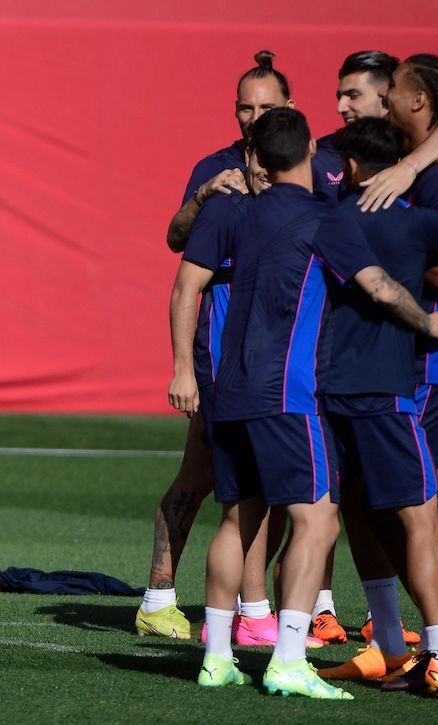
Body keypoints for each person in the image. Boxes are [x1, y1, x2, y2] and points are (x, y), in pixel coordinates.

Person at [177, 107, 438, 698]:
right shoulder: (322, 217)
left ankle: (218, 657)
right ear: (310, 148)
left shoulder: (237, 212)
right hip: (289, 393)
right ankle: (286, 658)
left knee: (237, 520)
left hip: (229, 388)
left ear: (256, 156)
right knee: (318, 519)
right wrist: (425, 323)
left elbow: (188, 270)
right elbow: (377, 285)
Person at [313, 117, 438, 702]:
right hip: (390, 392)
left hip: (327, 390)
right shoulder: (416, 220)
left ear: (349, 168)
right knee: (423, 519)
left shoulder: (333, 219)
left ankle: (385, 650)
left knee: (348, 514)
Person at [137, 50, 304, 645]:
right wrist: (204, 194)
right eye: (244, 105)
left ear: (289, 107)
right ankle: (160, 597)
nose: (252, 115)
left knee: (282, 483)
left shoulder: (309, 168)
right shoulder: (218, 169)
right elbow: (176, 242)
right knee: (203, 472)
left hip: (287, 344)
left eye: (265, 105)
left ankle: (270, 611)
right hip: (226, 341)